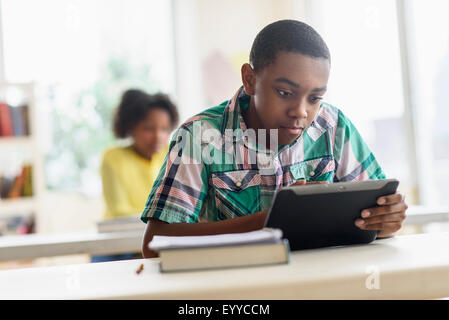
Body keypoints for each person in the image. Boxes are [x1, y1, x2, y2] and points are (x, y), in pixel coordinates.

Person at [140, 20, 408, 258]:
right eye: (284, 92)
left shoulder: (333, 127)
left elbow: (376, 221)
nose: (301, 111)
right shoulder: (200, 137)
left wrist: (386, 221)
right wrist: (274, 219)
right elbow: (154, 244)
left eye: (315, 98)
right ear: (250, 79)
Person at [92, 89, 178, 262]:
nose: (157, 137)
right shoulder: (113, 158)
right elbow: (119, 211)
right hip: (119, 244)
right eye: (148, 128)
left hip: (161, 239)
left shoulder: (173, 154)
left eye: (164, 129)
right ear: (131, 126)